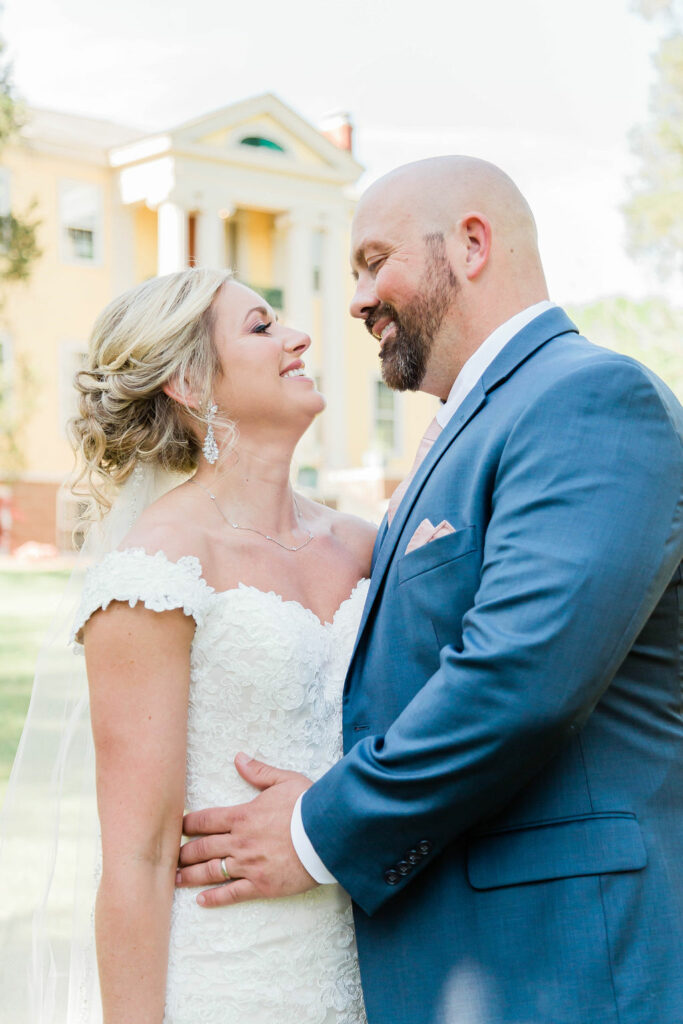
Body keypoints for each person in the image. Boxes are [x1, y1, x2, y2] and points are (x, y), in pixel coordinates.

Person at [176, 158, 683, 1024]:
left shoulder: (588, 399)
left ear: (472, 245)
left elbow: (517, 678)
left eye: (375, 261)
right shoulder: (467, 428)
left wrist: (316, 831)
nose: (357, 298)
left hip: (563, 965)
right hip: (449, 960)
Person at [28, 267, 374, 1023]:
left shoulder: (363, 547)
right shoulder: (155, 573)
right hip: (229, 980)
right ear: (188, 381)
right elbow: (138, 857)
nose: (298, 336)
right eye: (260, 326)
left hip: (377, 967)